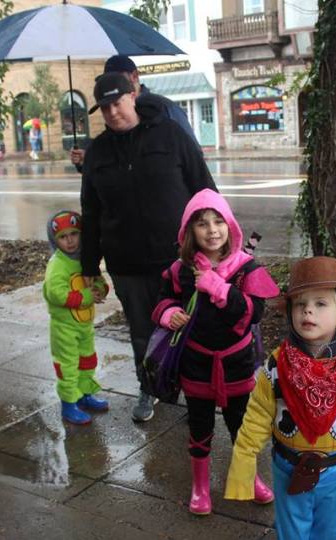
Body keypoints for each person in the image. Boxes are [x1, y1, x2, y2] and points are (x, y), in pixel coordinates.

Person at [224, 256, 336, 540]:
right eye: (300, 304)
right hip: (288, 467)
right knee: (291, 532)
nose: (308, 310)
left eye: (321, 303)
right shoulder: (278, 364)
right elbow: (258, 414)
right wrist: (244, 457)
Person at [79, 72, 216, 423]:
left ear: (133, 96)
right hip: (127, 263)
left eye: (117, 103)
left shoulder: (171, 135)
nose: (112, 112)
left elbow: (205, 191)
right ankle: (150, 386)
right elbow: (90, 213)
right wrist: (89, 266)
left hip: (179, 259)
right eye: (104, 107)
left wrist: (217, 247)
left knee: (191, 326)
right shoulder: (97, 152)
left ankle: (195, 389)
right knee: (142, 332)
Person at [152, 188, 280, 515]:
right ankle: (200, 486)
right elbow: (165, 298)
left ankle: (248, 478)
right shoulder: (181, 270)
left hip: (237, 362)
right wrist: (169, 313)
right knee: (200, 426)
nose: (212, 230)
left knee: (242, 424)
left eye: (218, 221)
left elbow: (255, 313)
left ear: (230, 225)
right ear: (189, 231)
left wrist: (220, 288)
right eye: (202, 223)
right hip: (196, 363)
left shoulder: (245, 268)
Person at [71, 54, 197, 171]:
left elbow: (193, 155)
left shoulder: (165, 109)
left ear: (134, 76)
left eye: (118, 77)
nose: (113, 112)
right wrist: (88, 160)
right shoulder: (113, 119)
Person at [42, 210, 110, 425]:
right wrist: (86, 296)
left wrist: (100, 288)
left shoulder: (83, 259)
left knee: (87, 360)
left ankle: (84, 393)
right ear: (54, 240)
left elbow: (95, 279)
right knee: (68, 366)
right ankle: (69, 404)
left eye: (74, 234)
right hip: (64, 328)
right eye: (63, 237)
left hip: (84, 326)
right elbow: (55, 293)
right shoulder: (58, 264)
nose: (70, 241)